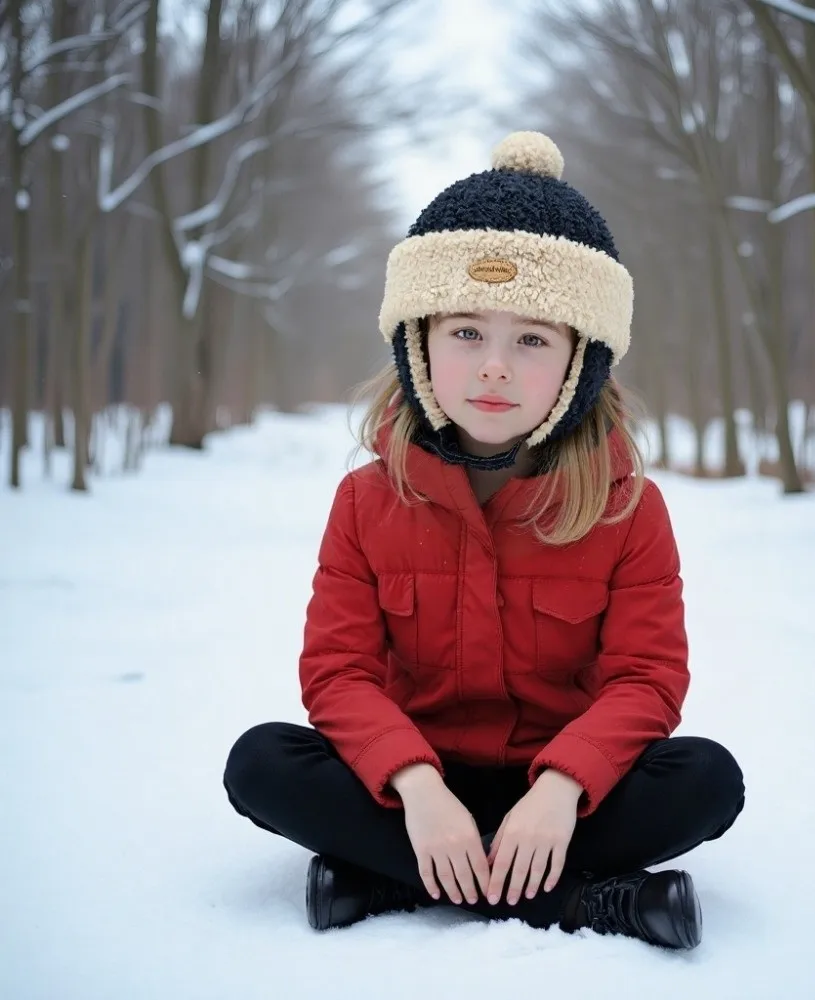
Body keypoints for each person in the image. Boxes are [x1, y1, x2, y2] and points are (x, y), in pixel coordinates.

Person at [223, 131, 745, 951]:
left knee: (707, 779)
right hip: (410, 790)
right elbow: (338, 673)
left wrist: (563, 789)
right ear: (419, 343)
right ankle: (585, 902)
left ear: (582, 361)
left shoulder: (627, 508)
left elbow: (646, 679)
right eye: (467, 333)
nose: (494, 367)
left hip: (568, 793)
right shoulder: (365, 503)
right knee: (261, 763)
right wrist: (419, 785)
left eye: (533, 339)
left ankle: (390, 879)